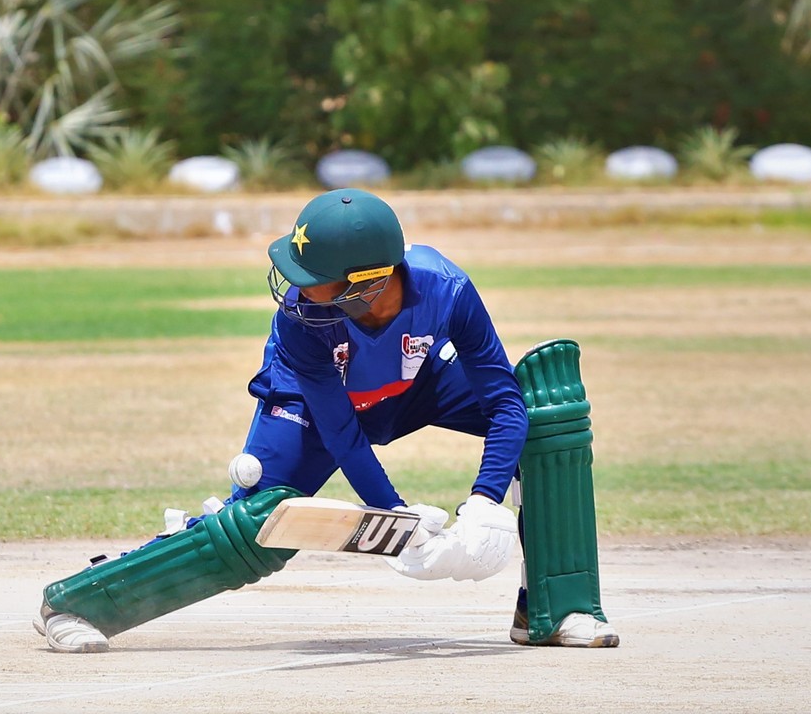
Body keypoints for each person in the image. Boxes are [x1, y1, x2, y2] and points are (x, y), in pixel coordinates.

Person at [35, 187, 620, 652]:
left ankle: (555, 607)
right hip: (310, 406)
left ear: (370, 282)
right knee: (257, 526)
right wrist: (396, 517)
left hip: (412, 386)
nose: (297, 288)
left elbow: (502, 401)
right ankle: (80, 602)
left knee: (543, 425)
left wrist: (486, 503)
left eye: (314, 280)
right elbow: (341, 431)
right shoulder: (299, 319)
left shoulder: (447, 290)